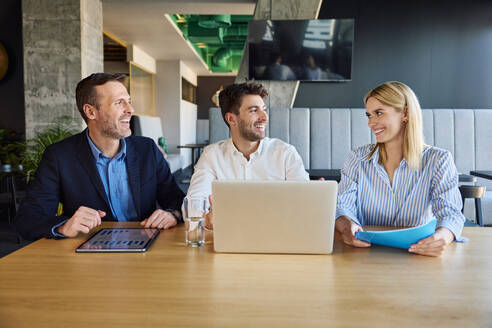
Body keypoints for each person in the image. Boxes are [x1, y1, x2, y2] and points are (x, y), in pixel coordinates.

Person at [14, 73, 184, 241]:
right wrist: (63, 227)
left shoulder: (147, 149)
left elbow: (176, 199)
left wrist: (172, 214)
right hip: (90, 254)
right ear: (91, 111)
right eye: (119, 102)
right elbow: (28, 219)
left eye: (129, 102)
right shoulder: (59, 156)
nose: (130, 110)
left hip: (146, 246)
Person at [335, 81, 465, 257]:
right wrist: (345, 225)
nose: (371, 123)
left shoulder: (439, 160)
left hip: (418, 256)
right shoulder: (357, 159)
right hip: (364, 254)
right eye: (369, 115)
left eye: (378, 113)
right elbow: (343, 207)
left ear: (405, 113)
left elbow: (451, 214)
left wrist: (443, 236)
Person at [185, 81, 309, 229]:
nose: (264, 117)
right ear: (231, 119)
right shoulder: (212, 155)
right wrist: (207, 221)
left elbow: (304, 203)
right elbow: (192, 206)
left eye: (264, 109)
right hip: (230, 241)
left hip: (277, 236)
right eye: (254, 110)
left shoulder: (285, 153)